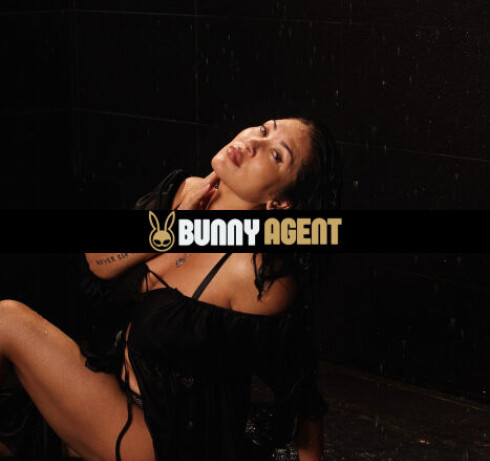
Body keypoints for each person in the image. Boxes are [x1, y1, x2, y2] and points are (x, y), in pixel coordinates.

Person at [0, 117, 340, 461]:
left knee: (6, 320)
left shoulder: (258, 275)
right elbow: (98, 262)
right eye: (264, 129)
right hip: (109, 392)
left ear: (279, 203)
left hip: (163, 438)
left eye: (276, 155)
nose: (254, 142)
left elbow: (302, 392)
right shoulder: (184, 191)